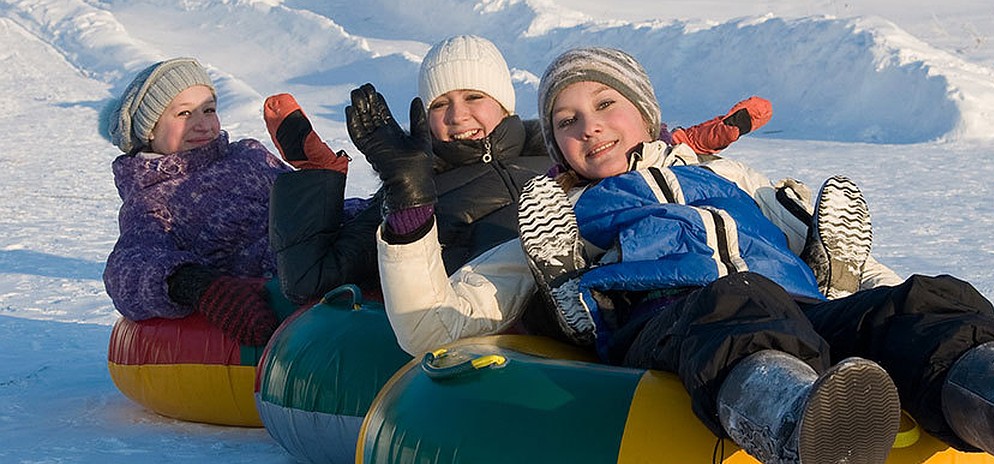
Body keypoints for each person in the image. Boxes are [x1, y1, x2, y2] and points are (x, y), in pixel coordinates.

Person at [358, 46, 994, 464]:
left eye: (604, 104)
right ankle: (804, 436)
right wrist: (405, 212)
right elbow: (431, 325)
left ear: (642, 110)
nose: (589, 127)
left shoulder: (731, 181)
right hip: (675, 318)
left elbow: (860, 289)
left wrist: (883, 291)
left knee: (924, 301)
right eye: (567, 118)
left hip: (795, 308)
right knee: (740, 299)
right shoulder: (557, 208)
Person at [267, 34, 782, 306]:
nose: (458, 115)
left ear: (505, 102)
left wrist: (684, 142)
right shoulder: (412, 184)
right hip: (494, 317)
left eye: (474, 97)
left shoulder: (562, 147)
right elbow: (309, 278)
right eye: (440, 104)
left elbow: (635, 161)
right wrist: (320, 174)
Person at [102, 57, 289, 346]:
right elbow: (128, 268)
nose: (202, 125)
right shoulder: (152, 198)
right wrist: (200, 286)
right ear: (149, 129)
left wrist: (320, 174)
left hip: (322, 246)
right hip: (286, 282)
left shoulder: (250, 155)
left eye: (209, 110)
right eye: (184, 114)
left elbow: (308, 207)